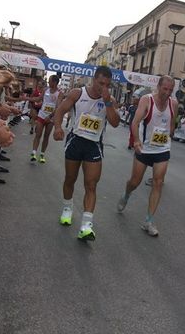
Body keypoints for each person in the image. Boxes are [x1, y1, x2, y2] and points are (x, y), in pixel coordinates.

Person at [53, 66, 120, 241]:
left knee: (91, 185)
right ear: (93, 79)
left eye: (107, 84)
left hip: (94, 146)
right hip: (75, 141)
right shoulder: (77, 93)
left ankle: (86, 225)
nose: (103, 87)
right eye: (100, 83)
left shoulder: (109, 100)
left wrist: (107, 102)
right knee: (70, 179)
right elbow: (60, 110)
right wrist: (58, 127)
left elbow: (114, 123)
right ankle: (67, 208)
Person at [117, 75, 178, 237]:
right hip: (144, 149)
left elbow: (172, 125)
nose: (167, 92)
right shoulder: (147, 100)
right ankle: (126, 194)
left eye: (171, 90)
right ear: (158, 87)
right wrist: (136, 140)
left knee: (158, 183)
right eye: (165, 89)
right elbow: (135, 122)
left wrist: (167, 134)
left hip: (162, 149)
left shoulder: (174, 104)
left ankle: (148, 221)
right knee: (135, 182)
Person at [29, 75, 63, 163]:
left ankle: (42, 155)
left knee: (46, 136)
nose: (48, 82)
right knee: (38, 134)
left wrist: (50, 116)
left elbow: (58, 107)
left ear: (55, 82)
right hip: (42, 115)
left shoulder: (60, 93)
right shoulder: (45, 90)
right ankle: (33, 153)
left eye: (50, 81)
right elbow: (39, 98)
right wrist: (29, 98)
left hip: (51, 118)